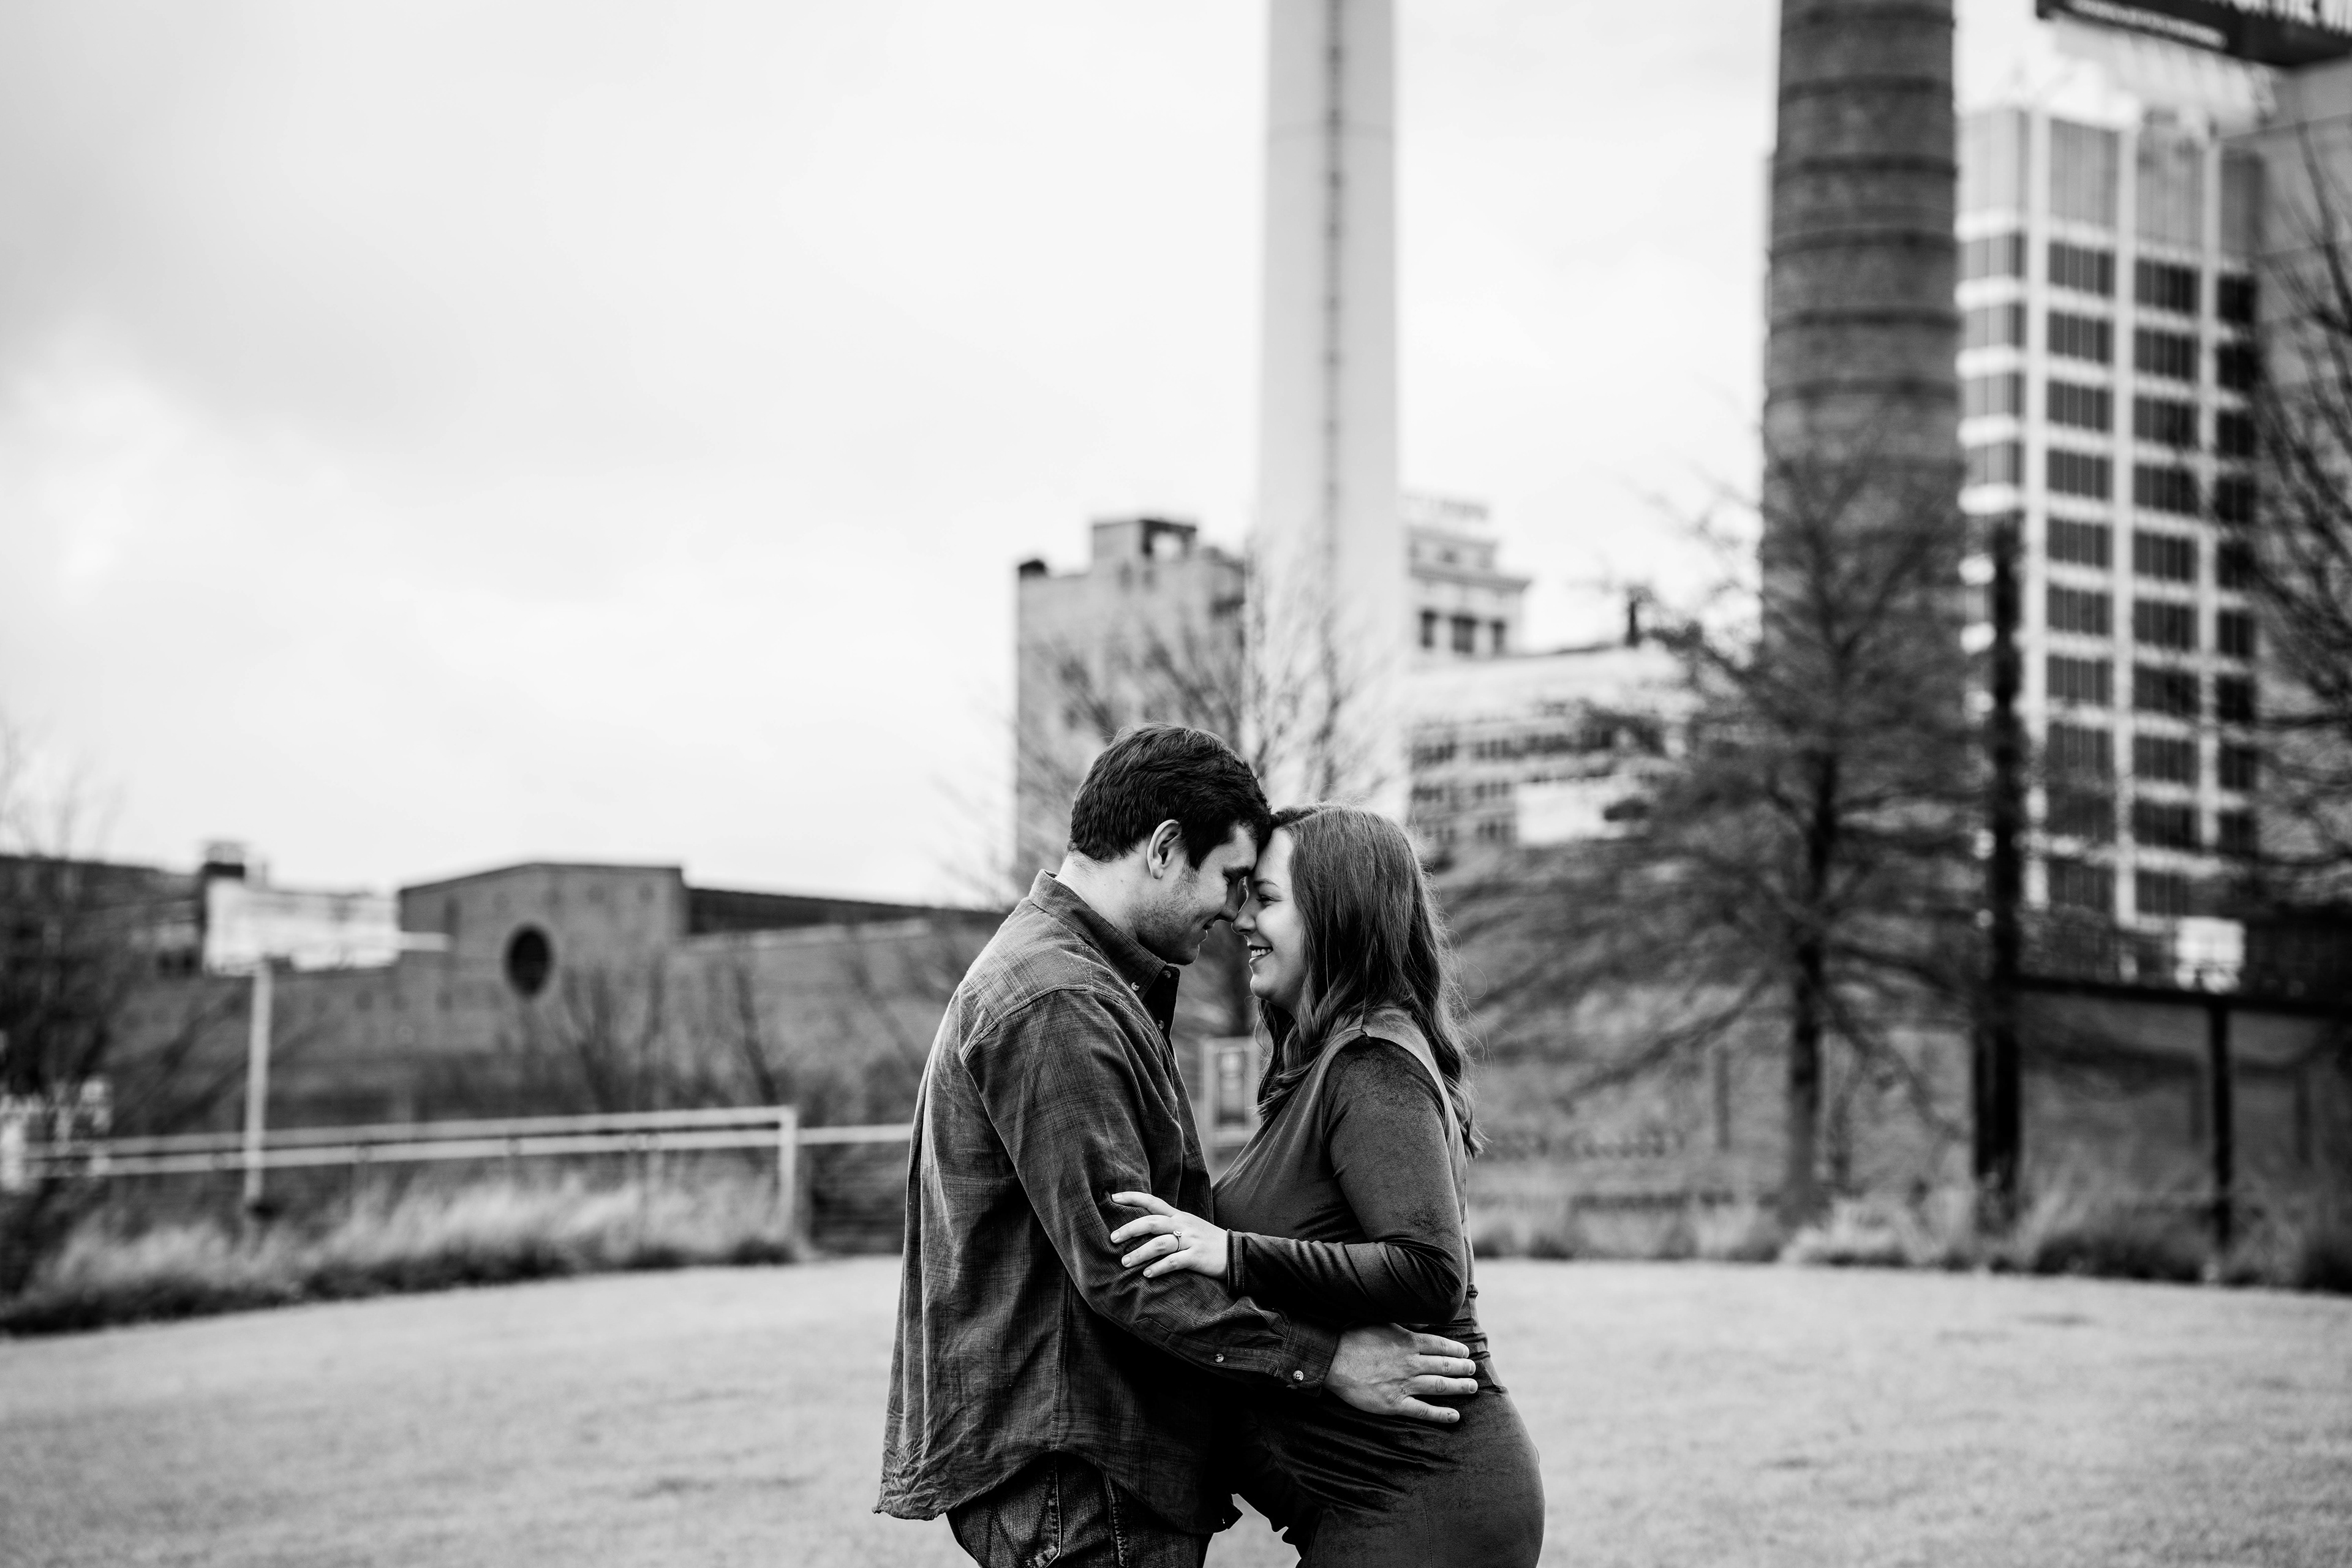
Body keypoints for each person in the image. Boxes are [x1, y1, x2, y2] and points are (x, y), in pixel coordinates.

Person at [878, 727, 1483, 1568]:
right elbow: (1128, 1265)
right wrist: (1325, 1361)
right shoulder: (1059, 1002)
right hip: (1081, 1464)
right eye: (1234, 882)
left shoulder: (1083, 985)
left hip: (1087, 1461)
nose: (1237, 914)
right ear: (1165, 849)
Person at [1107, 804, 1547, 1566]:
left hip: (1425, 1499)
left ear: (1337, 914)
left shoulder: (1372, 1062)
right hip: (1378, 1504)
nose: (1241, 918)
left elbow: (1430, 1267)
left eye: (1267, 898)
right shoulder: (1328, 1065)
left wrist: (1233, 1254)